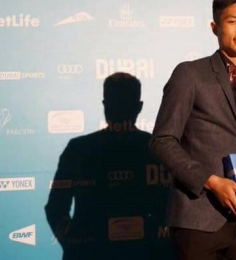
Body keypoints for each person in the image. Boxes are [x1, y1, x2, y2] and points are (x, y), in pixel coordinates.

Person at [150, 0, 236, 260]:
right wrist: (211, 181)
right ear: (214, 27)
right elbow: (162, 141)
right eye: (232, 21)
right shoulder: (190, 74)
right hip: (198, 219)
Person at [45, 73, 171, 260]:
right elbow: (55, 208)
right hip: (147, 251)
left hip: (97, 252)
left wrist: (75, 243)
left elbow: (55, 208)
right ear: (139, 107)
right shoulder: (161, 149)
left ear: (105, 106)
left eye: (122, 103)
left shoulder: (78, 148)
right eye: (117, 103)